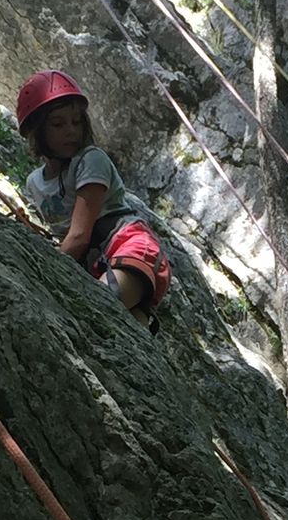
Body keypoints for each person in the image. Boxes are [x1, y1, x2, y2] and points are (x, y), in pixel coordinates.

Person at [16, 69, 171, 335]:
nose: (71, 131)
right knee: (123, 335)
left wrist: (46, 272)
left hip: (130, 249)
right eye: (58, 124)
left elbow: (78, 237)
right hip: (98, 264)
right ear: (37, 131)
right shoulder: (34, 183)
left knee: (96, 310)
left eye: (77, 122)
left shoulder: (90, 160)